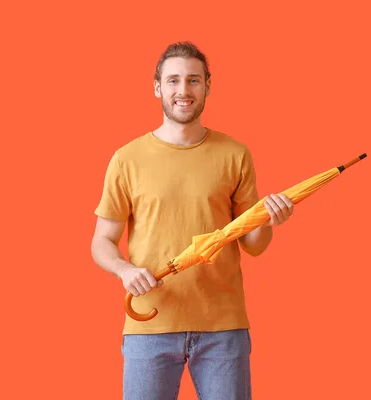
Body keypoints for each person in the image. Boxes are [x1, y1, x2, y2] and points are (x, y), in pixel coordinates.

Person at [91, 41, 294, 400]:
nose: (183, 90)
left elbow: (253, 245)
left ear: (207, 87)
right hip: (149, 325)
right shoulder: (127, 159)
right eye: (173, 81)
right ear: (157, 87)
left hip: (222, 328)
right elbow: (101, 241)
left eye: (193, 81)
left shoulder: (235, 154)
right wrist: (124, 270)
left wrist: (268, 220)